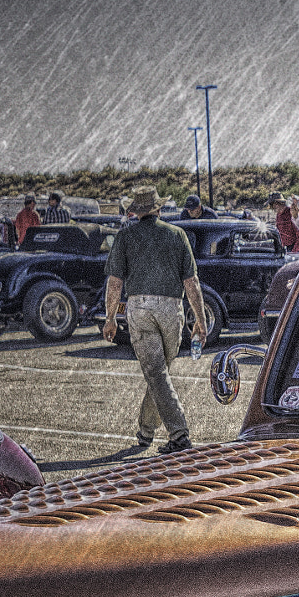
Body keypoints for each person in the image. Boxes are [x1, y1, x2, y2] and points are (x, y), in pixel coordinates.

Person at [102, 186, 208, 454]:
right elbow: (192, 282)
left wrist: (110, 318)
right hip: (172, 309)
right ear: (159, 208)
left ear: (136, 212)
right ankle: (146, 431)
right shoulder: (178, 234)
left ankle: (179, 435)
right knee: (159, 373)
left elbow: (115, 284)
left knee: (157, 373)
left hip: (139, 308)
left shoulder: (125, 237)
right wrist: (201, 319)